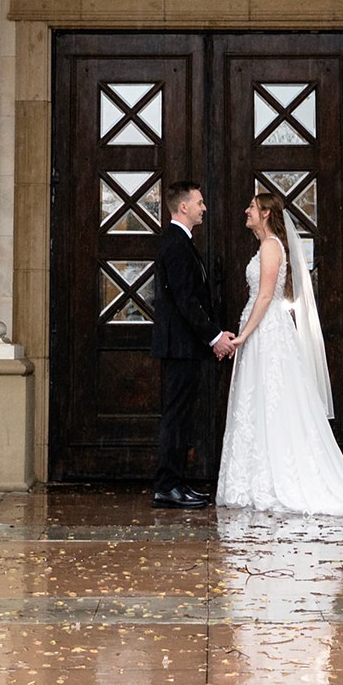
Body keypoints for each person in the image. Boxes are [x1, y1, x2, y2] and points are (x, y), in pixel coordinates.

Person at [214, 188, 343, 518]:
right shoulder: (264, 248)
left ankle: (274, 479)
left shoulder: (271, 248)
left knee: (272, 400)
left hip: (266, 333)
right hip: (260, 333)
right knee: (256, 401)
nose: (247, 211)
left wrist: (243, 335)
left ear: (266, 213)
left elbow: (266, 296)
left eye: (252, 207)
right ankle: (254, 479)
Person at [147, 180, 230, 508]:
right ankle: (167, 485)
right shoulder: (175, 244)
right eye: (199, 202)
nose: (203, 207)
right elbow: (186, 300)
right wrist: (215, 337)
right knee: (176, 416)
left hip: (183, 346)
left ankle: (175, 482)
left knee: (180, 416)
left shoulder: (181, 242)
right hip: (179, 347)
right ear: (183, 207)